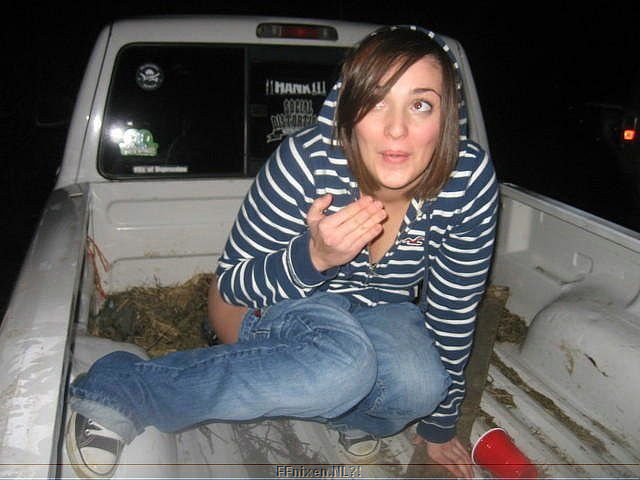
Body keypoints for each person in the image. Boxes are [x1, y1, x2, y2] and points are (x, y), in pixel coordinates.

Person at [65, 25, 498, 479]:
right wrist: (314, 257)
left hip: (379, 311)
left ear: (446, 117)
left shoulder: (468, 181)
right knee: (343, 367)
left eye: (420, 104)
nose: (396, 129)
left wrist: (440, 425)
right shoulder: (306, 162)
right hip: (275, 303)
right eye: (376, 101)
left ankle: (343, 412)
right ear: (349, 108)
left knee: (422, 386)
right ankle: (124, 389)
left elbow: (453, 309)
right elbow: (233, 285)